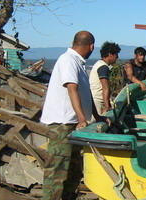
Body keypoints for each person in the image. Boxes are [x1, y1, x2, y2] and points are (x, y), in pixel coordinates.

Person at [40, 31, 104, 200]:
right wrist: (83, 119)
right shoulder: (67, 60)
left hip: (73, 125)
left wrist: (97, 115)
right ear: (91, 46)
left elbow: (85, 93)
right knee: (57, 173)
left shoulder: (78, 63)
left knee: (74, 172)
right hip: (62, 125)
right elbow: (71, 88)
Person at [89, 41, 121, 116]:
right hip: (97, 101)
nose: (117, 57)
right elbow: (105, 87)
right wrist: (107, 106)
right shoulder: (103, 67)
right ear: (110, 55)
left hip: (95, 99)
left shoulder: (99, 64)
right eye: (116, 54)